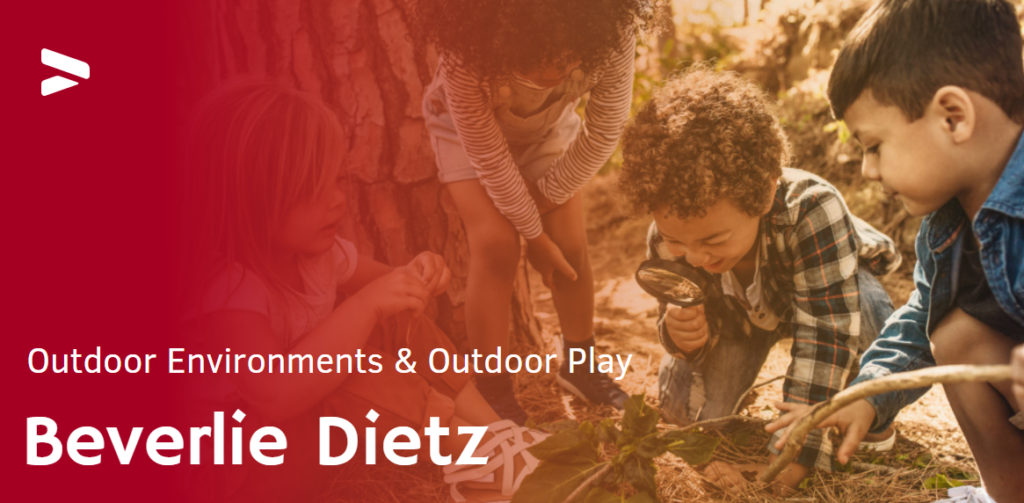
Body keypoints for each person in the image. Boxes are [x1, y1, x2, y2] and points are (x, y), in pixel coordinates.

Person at [178, 80, 547, 502]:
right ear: (246, 199)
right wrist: (367, 306)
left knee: (396, 322)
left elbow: (391, 285)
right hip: (250, 464)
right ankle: (478, 459)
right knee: (351, 366)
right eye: (310, 191)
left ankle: (495, 436)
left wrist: (416, 274)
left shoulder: (318, 256)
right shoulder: (229, 291)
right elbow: (275, 394)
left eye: (336, 180)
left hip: (312, 431)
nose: (336, 201)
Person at [767, 1, 1024, 501]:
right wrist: (867, 396)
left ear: (953, 117)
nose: (867, 170)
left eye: (874, 145)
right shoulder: (946, 227)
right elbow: (919, 321)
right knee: (952, 335)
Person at [616, 67, 902, 491]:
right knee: (687, 416)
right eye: (678, 241)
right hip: (738, 320)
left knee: (871, 312)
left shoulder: (813, 210)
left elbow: (826, 331)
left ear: (765, 193)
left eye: (714, 238)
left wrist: (800, 443)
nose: (695, 256)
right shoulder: (669, 236)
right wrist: (682, 336)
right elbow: (673, 311)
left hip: (824, 294)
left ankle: (872, 411)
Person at [411, 0, 656, 422]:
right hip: (465, 134)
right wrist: (533, 237)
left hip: (548, 131)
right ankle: (493, 388)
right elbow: (489, 158)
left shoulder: (610, 30)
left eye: (567, 60)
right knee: (496, 244)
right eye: (537, 61)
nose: (555, 74)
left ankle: (581, 367)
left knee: (570, 244)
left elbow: (604, 131)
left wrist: (543, 204)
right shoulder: (466, 53)